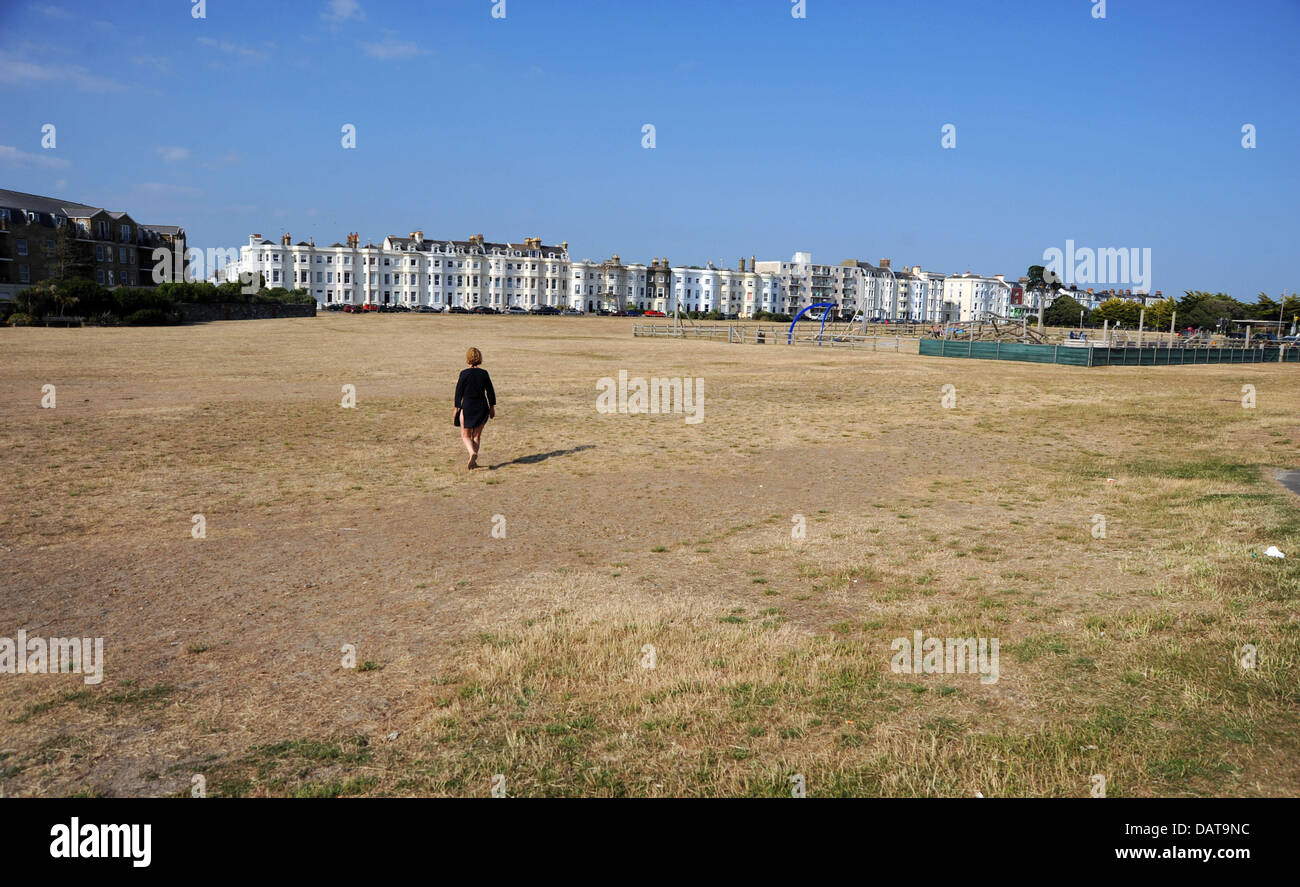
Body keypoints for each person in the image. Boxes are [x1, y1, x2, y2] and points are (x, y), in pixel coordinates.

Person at [454, 347, 496, 470]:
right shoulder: (484, 373)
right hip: (482, 407)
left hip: (467, 407)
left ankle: (472, 453)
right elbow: (490, 392)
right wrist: (492, 407)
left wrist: (456, 408)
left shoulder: (464, 373)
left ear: (467, 359)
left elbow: (458, 392)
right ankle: (474, 462)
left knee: (465, 435)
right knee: (476, 436)